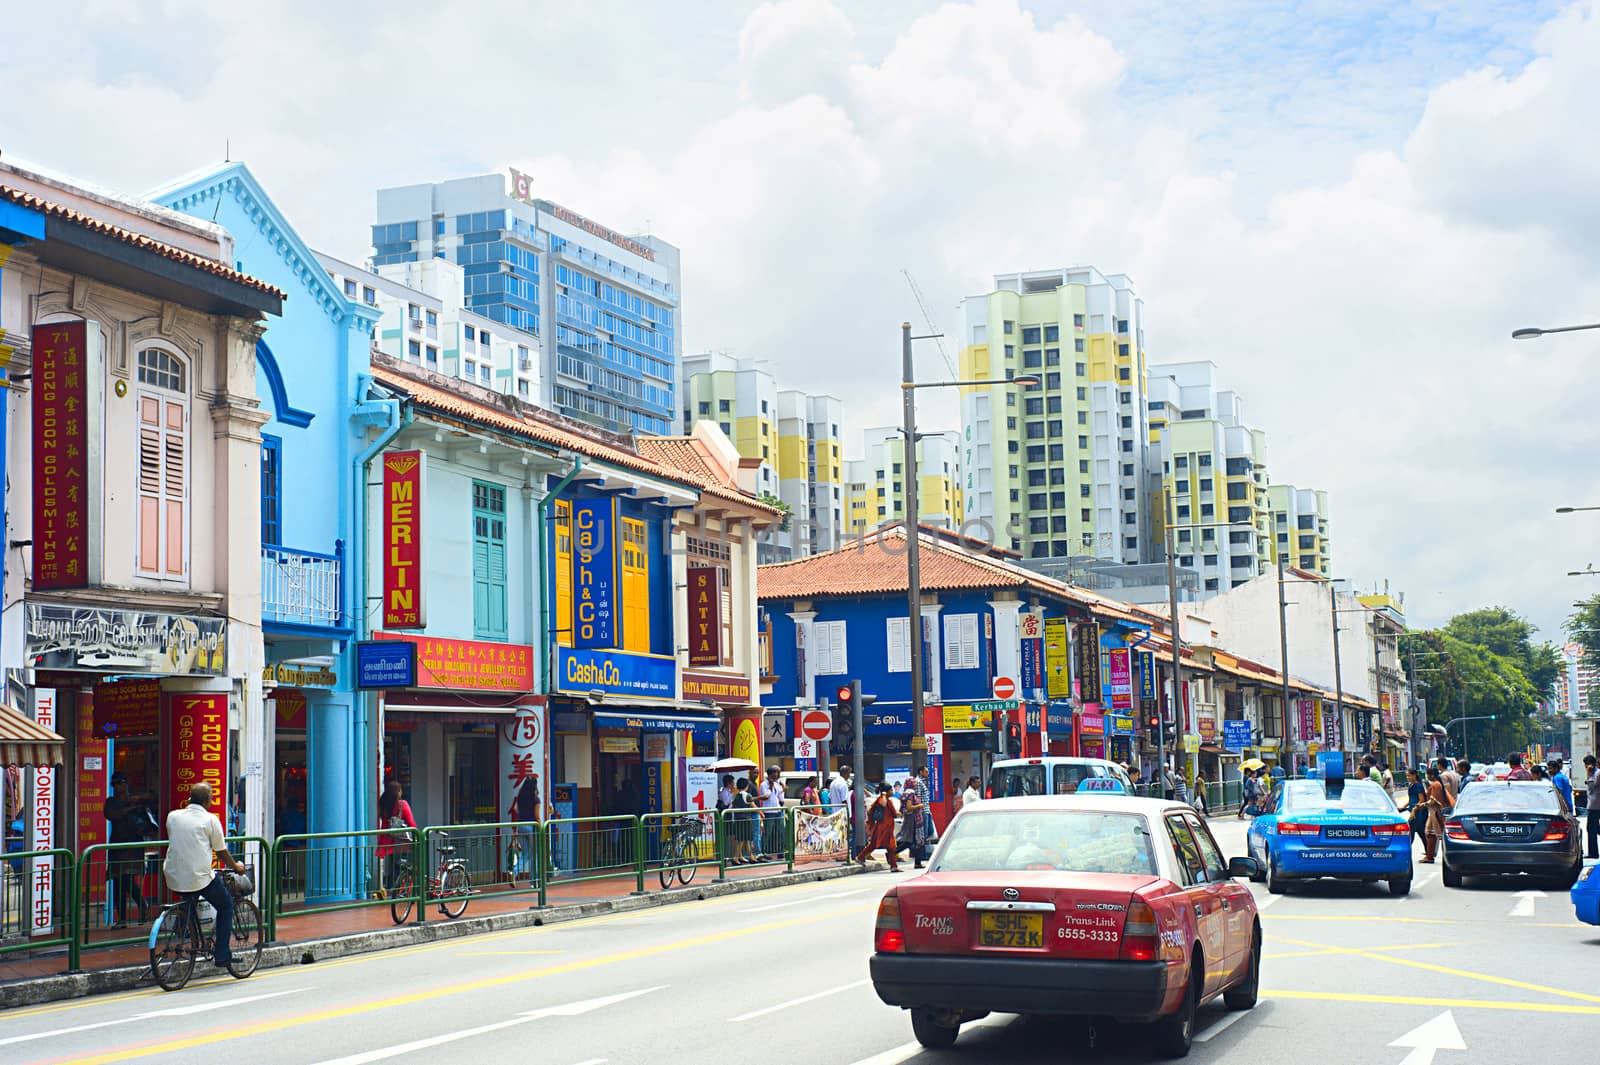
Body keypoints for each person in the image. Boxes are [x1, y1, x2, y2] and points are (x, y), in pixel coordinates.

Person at [162, 783, 245, 970]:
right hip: (199, 877)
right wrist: (236, 867)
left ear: (190, 798)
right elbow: (221, 851)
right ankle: (222, 955)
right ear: (208, 801)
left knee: (189, 900)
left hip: (173, 875)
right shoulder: (210, 820)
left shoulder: (173, 816)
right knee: (226, 905)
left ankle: (184, 927)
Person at [104, 773, 156, 927]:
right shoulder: (112, 802)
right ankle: (123, 918)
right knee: (118, 881)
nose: (117, 787)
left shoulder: (137, 800)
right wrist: (130, 806)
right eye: (114, 784)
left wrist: (138, 801)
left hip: (132, 846)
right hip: (118, 846)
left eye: (120, 783)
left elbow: (153, 799)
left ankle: (140, 907)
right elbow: (112, 814)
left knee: (126, 880)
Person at [377, 780, 417, 896]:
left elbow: (383, 823)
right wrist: (417, 835)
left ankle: (389, 890)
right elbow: (411, 823)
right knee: (404, 866)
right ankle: (404, 891)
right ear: (398, 792)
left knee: (390, 868)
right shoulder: (402, 805)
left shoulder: (383, 804)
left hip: (385, 841)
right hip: (400, 843)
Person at [507, 774, 548, 879]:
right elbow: (537, 816)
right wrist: (541, 829)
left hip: (521, 827)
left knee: (526, 853)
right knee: (534, 854)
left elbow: (516, 810)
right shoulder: (536, 800)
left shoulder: (520, 797)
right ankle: (534, 881)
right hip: (532, 827)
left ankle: (514, 871)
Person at [856, 784, 900, 871]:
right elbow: (883, 805)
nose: (892, 792)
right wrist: (883, 794)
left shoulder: (887, 800)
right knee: (890, 846)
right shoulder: (881, 799)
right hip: (883, 827)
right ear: (886, 792)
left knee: (878, 845)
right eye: (890, 790)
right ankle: (893, 866)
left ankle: (893, 866)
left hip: (886, 827)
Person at [898, 777, 930, 869]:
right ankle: (893, 853)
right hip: (915, 820)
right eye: (914, 782)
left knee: (914, 841)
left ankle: (917, 862)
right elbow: (909, 807)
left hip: (910, 819)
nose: (916, 784)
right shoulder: (911, 794)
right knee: (917, 840)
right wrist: (919, 805)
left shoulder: (905, 793)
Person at [1419, 767, 1449, 863]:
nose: (1426, 777)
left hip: (1435, 813)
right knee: (1431, 833)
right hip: (1434, 812)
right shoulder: (1437, 784)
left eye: (1427, 774)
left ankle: (1430, 856)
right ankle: (1430, 855)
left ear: (1432, 775)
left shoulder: (1436, 785)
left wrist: (1423, 805)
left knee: (1430, 833)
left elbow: (1433, 800)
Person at [758, 765, 786, 858]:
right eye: (775, 773)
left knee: (781, 831)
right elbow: (766, 796)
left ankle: (781, 851)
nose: (777, 775)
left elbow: (781, 791)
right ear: (770, 774)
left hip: (778, 810)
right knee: (767, 832)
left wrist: (780, 784)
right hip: (769, 811)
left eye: (778, 773)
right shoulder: (763, 784)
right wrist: (770, 786)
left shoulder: (777, 783)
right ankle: (763, 852)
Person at [730, 778, 757, 864]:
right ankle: (735, 857)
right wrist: (761, 813)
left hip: (738, 818)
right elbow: (753, 805)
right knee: (742, 839)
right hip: (746, 819)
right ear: (747, 786)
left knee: (745, 839)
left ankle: (750, 856)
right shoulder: (747, 795)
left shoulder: (736, 795)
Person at [1400, 768, 1428, 848]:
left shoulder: (1418, 786)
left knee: (1419, 831)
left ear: (1414, 775)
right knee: (1415, 830)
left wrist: (1414, 809)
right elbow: (1410, 800)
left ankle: (1428, 852)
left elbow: (1421, 800)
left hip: (1419, 812)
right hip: (1412, 811)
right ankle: (1428, 851)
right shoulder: (1411, 786)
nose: (1407, 777)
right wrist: (1403, 807)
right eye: (1407, 776)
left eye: (1409, 775)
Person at [1584, 754, 1600, 859]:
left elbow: (1591, 787)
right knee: (1592, 828)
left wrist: (1588, 775)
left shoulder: (1597, 773)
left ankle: (1593, 853)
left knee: (1591, 829)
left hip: (1595, 806)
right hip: (1594, 805)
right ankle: (1593, 852)